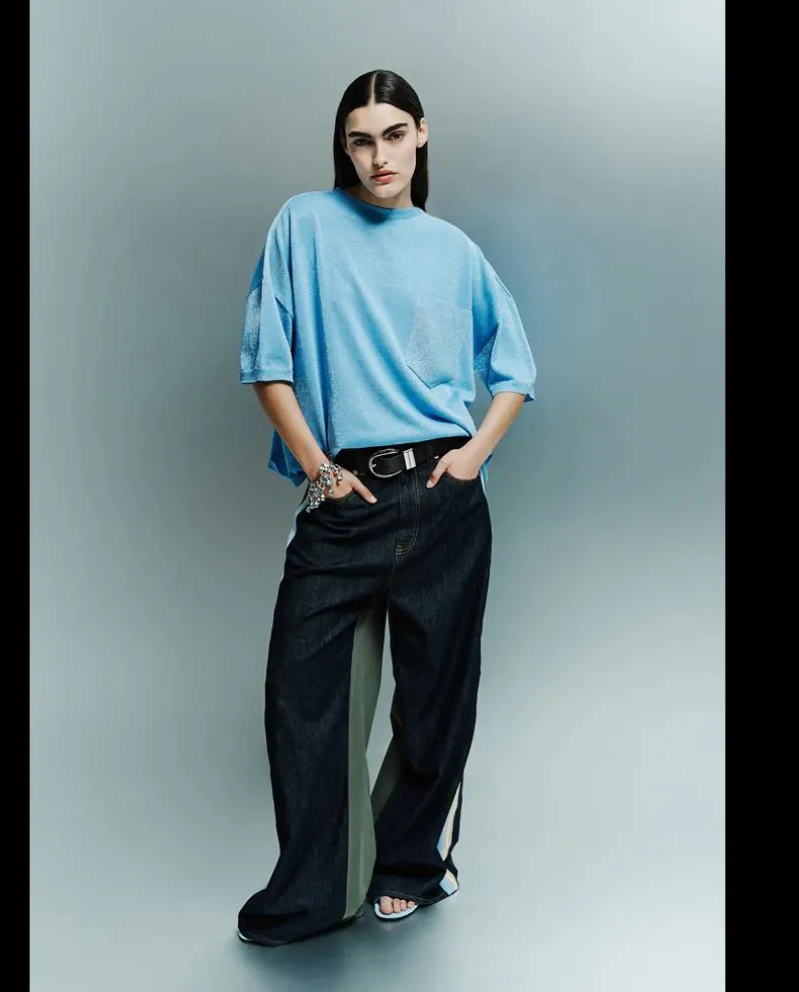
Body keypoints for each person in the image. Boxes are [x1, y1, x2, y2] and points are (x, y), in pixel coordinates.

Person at [236, 69, 537, 947]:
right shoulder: (304, 224)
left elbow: (515, 368)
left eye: (394, 135)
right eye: (361, 140)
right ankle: (316, 890)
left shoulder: (452, 248)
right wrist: (317, 469)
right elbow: (266, 359)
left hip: (443, 498)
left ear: (422, 135)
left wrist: (472, 458)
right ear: (343, 146)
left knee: (437, 696)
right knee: (302, 697)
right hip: (346, 498)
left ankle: (410, 865)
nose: (379, 156)